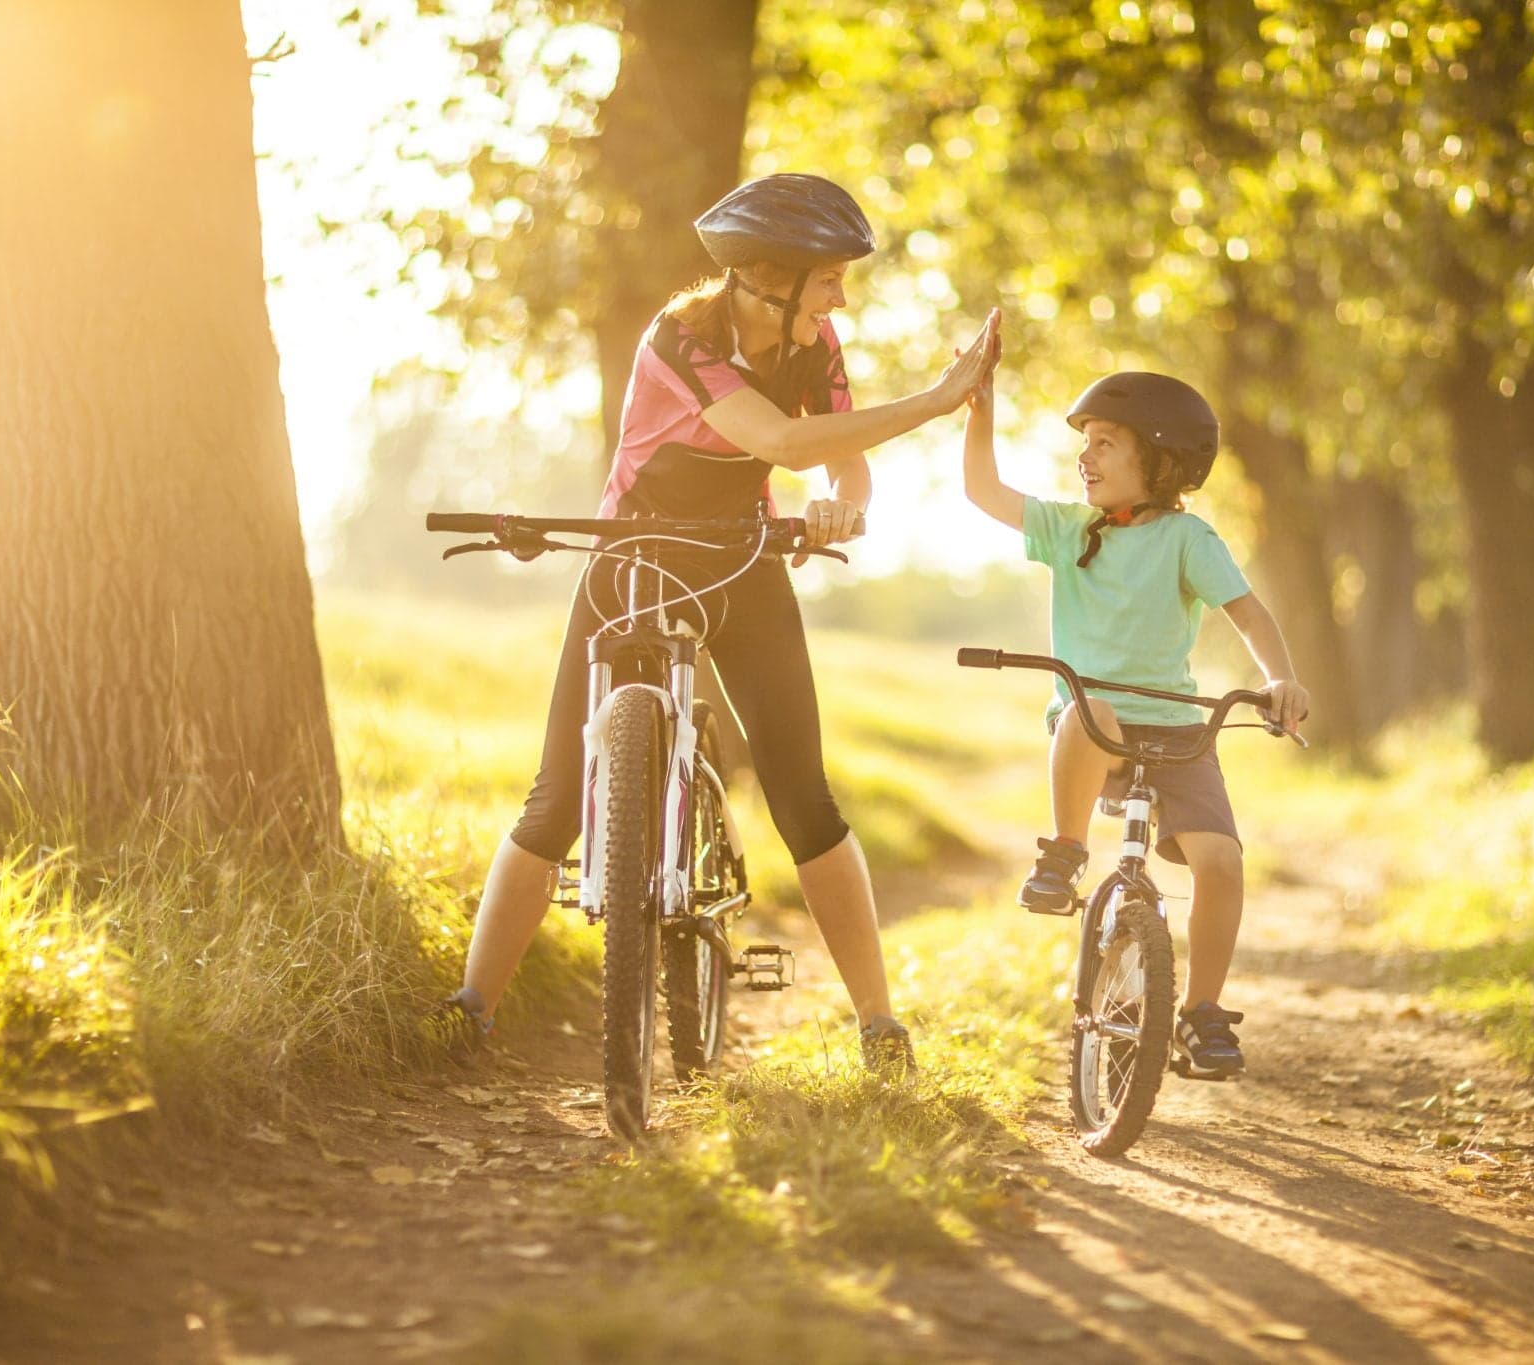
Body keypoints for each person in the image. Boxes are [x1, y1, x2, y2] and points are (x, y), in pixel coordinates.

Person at [443, 173, 999, 1073]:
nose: (841, 296)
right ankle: (470, 1010)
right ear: (769, 280)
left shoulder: (816, 345)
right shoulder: (680, 340)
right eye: (828, 280)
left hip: (743, 563)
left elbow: (840, 461)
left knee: (804, 800)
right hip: (633, 559)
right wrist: (935, 401)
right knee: (554, 799)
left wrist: (840, 505)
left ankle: (877, 1023)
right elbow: (777, 442)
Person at [959, 339, 1309, 1077]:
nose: (1085, 457)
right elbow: (983, 492)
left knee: (1222, 861)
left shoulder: (1186, 538)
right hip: (1093, 729)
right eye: (1084, 444)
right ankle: (1063, 854)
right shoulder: (1067, 529)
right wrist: (979, 408)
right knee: (1098, 713)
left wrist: (1281, 679)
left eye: (1105, 444)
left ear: (1158, 461)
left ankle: (1202, 1014)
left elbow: (1249, 614)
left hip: (1178, 729)